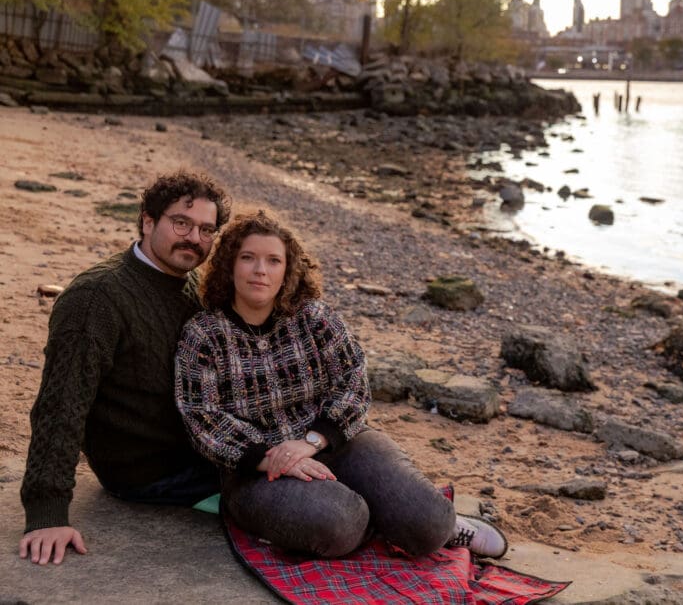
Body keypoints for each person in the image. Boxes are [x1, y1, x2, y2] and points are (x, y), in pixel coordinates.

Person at [174, 210, 506, 559]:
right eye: (248, 258)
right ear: (229, 265)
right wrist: (271, 456)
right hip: (256, 468)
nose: (261, 270)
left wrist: (313, 440)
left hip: (338, 441)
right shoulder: (204, 335)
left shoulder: (313, 318)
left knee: (430, 525)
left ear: (287, 271)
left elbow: (353, 377)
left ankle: (430, 523)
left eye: (273, 260)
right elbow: (202, 418)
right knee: (340, 524)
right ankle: (373, 519)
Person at [19, 170, 232, 566]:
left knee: (339, 455)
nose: (194, 238)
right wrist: (46, 513)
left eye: (207, 229)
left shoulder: (192, 285)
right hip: (153, 472)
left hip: (205, 451)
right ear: (148, 221)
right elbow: (60, 404)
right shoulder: (97, 298)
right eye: (181, 223)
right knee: (316, 502)